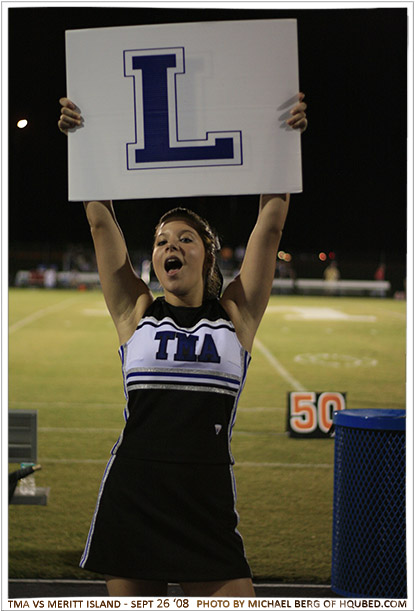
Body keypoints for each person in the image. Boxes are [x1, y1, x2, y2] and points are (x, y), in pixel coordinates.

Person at [58, 92, 307, 597]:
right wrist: (82, 140)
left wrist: (284, 140)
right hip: (136, 497)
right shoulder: (136, 311)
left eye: (185, 239)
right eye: (161, 240)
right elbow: (101, 219)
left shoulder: (236, 315)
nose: (170, 246)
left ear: (208, 257)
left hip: (206, 502)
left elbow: (272, 222)